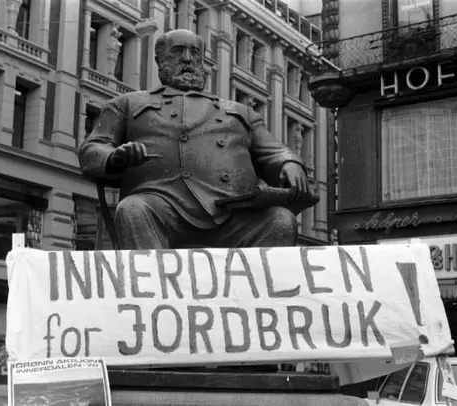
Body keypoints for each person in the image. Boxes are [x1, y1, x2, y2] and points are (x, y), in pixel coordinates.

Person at [79, 29, 313, 250]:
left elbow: (274, 151)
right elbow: (93, 148)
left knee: (281, 221)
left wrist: (289, 163)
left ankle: (249, 283)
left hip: (232, 213)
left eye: (195, 52)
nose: (188, 59)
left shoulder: (241, 112)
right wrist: (113, 158)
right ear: (159, 60)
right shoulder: (128, 104)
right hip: (161, 207)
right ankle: (151, 281)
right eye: (178, 51)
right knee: (132, 209)